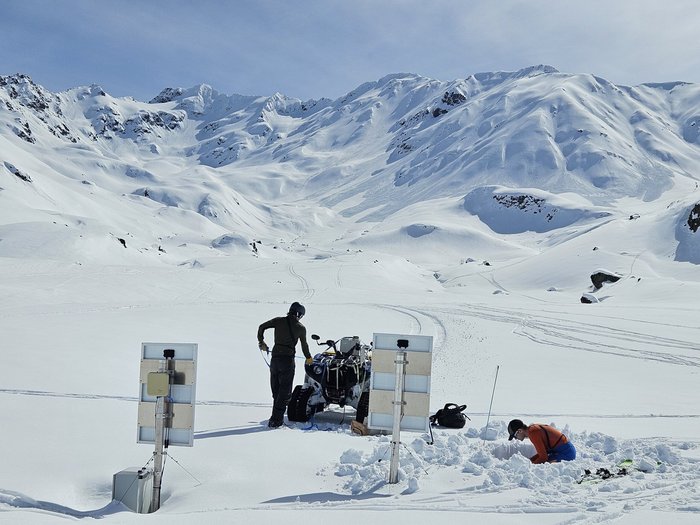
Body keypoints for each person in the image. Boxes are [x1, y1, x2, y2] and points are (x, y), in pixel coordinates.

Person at [257, 302, 312, 428]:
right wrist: (308, 357)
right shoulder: (300, 328)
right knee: (285, 392)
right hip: (287, 361)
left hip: (275, 360)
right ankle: (276, 421)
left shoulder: (278, 321)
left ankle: (275, 417)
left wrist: (261, 342)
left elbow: (261, 327)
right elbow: (304, 346)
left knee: (276, 390)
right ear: (299, 314)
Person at [507, 419, 576, 463]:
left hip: (567, 453)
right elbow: (543, 454)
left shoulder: (533, 433)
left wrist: (530, 466)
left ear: (520, 431)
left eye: (515, 436)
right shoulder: (532, 429)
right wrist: (530, 461)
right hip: (563, 450)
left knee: (547, 465)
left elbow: (543, 457)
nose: (515, 438)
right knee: (535, 462)